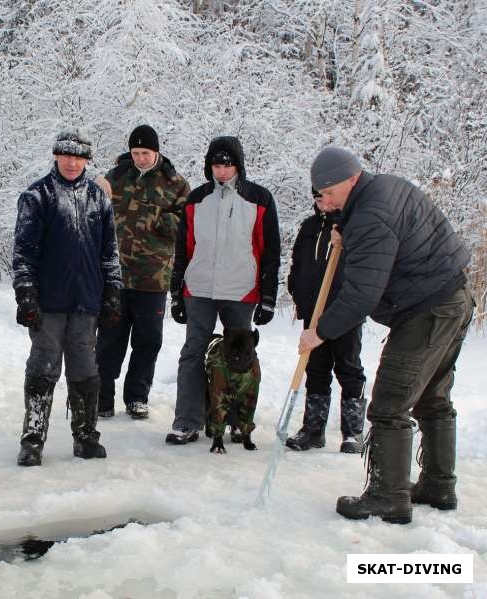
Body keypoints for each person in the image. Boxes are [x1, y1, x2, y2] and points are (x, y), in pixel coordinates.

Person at [299, 146, 473, 524]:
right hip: (453, 297)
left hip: (426, 310)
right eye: (319, 194)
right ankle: (438, 484)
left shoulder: (371, 217)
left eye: (328, 192)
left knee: (389, 404)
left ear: (351, 179)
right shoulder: (385, 189)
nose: (323, 202)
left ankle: (388, 496)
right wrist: (346, 233)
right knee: (431, 397)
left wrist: (319, 333)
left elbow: (361, 294)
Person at [12, 127, 122, 466]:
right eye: (67, 156)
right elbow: (24, 253)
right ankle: (33, 439)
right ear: (56, 156)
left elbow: (110, 251)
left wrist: (113, 290)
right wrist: (26, 292)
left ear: (87, 160)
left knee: (86, 370)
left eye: (79, 157)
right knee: (43, 368)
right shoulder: (37, 196)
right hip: (49, 303)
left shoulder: (98, 198)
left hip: (87, 301)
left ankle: (86, 434)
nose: (73, 163)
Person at [167, 135, 280, 445]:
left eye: (227, 165)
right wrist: (177, 292)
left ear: (238, 166)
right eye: (216, 164)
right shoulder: (196, 200)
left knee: (240, 358)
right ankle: (187, 420)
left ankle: (234, 420)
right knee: (192, 353)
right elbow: (184, 249)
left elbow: (270, 251)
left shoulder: (259, 199)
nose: (221, 171)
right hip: (199, 288)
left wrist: (268, 296)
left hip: (241, 290)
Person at [96, 125, 190, 420]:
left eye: (145, 153)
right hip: (115, 275)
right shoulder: (115, 178)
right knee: (110, 339)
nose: (140, 158)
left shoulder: (174, 183)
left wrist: (160, 221)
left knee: (148, 341)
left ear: (156, 151)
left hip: (153, 277)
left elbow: (187, 223)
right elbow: (94, 211)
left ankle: (137, 396)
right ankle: (102, 396)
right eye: (136, 153)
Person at [286, 188, 367, 453]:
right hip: (314, 311)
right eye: (318, 199)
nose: (323, 204)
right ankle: (313, 430)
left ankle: (353, 432)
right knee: (317, 368)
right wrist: (297, 291)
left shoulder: (352, 227)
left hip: (345, 312)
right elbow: (298, 262)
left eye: (326, 198)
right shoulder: (310, 227)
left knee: (348, 367)